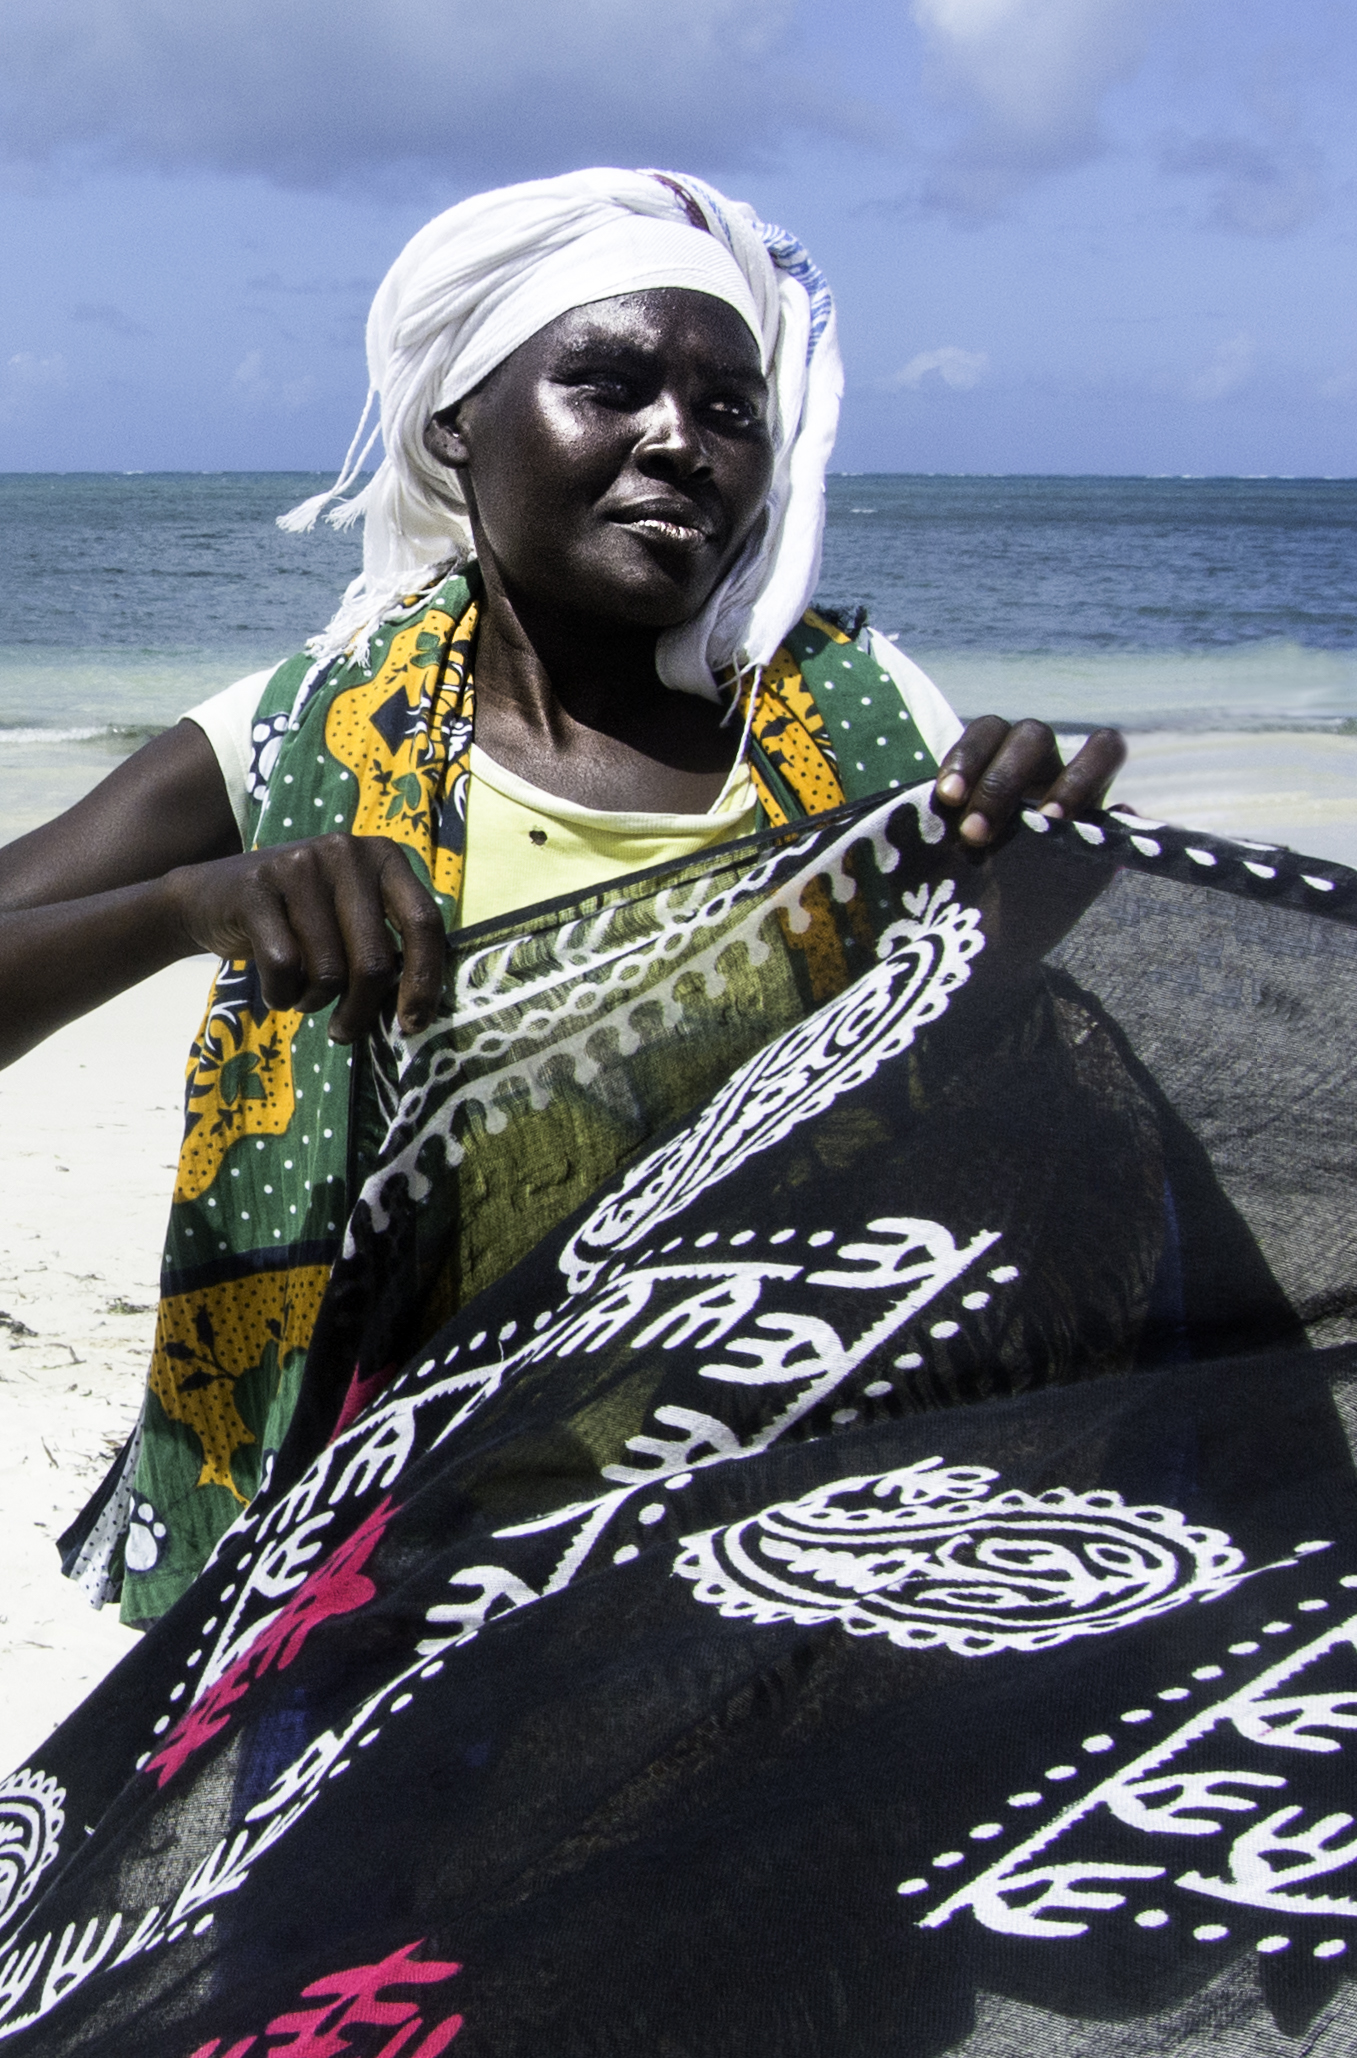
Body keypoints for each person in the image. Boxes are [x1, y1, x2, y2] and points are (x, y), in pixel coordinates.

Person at [0, 168, 1123, 1624]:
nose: (677, 440)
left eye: (731, 412)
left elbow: (989, 1107)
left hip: (772, 1530)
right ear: (456, 425)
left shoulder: (871, 728)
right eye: (607, 383)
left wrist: (1029, 892)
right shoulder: (313, 731)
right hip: (380, 1550)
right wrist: (189, 907)